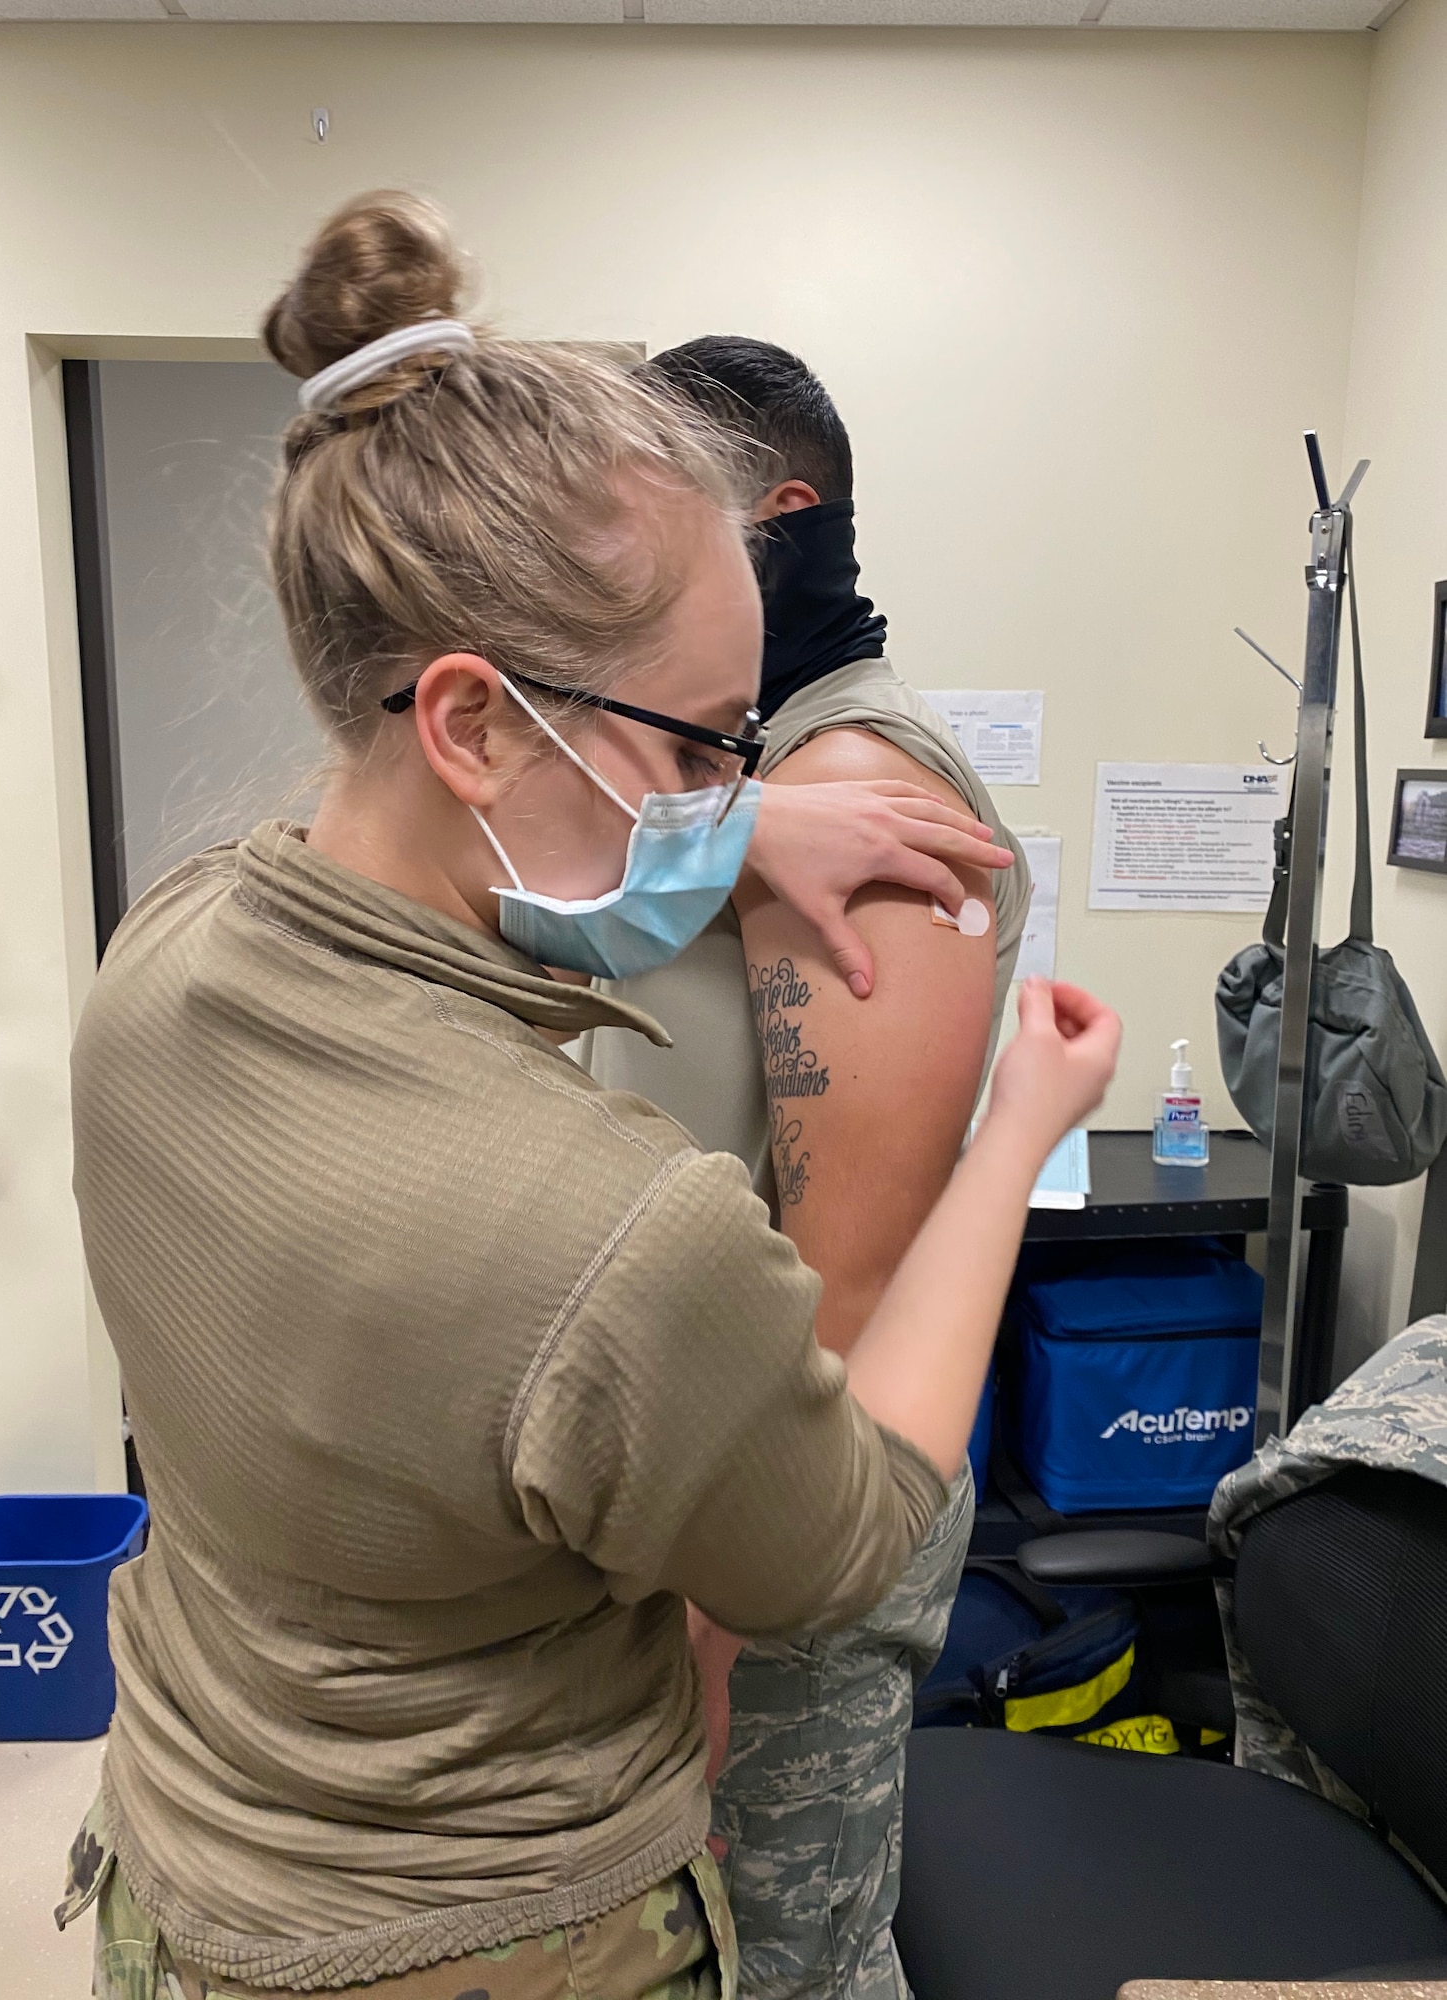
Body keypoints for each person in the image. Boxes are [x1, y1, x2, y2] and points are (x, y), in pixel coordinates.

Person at [57, 192, 1119, 2000]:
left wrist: (740, 812)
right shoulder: (612, 1237)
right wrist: (1014, 1131)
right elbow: (845, 1515)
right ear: (471, 720)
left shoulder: (160, 956)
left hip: (186, 1864)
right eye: (709, 739)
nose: (737, 787)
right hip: (492, 1935)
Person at [587, 337, 1033, 2000]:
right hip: (698, 1495)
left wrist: (718, 1631)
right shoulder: (754, 777)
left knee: (779, 1955)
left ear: (771, 519)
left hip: (782, 1522)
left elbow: (845, 1274)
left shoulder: (862, 787)